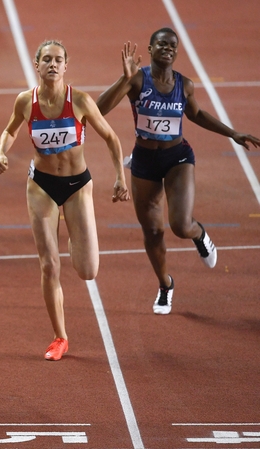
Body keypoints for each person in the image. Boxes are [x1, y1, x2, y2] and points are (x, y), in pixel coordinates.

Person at [96, 29, 259, 315]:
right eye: (162, 43)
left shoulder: (184, 85)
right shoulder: (136, 79)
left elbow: (195, 114)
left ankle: (199, 235)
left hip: (177, 157)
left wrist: (232, 132)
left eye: (173, 45)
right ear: (150, 48)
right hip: (144, 160)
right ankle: (165, 285)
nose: (168, 49)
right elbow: (98, 110)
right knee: (153, 231)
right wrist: (123, 78)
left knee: (181, 225)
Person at [0, 40, 130, 361]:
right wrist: (1, 151)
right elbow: (10, 130)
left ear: (66, 66)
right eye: (47, 60)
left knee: (87, 270)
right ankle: (60, 337)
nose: (52, 65)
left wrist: (119, 177)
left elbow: (111, 137)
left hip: (77, 185)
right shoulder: (26, 102)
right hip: (41, 186)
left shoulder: (80, 101)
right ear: (37, 65)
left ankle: (73, 235)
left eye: (58, 60)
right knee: (49, 265)